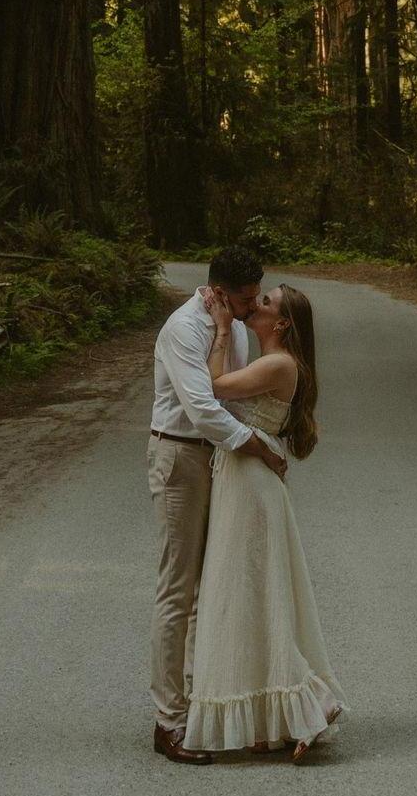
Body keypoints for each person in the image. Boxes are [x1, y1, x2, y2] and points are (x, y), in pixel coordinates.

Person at [183, 282, 345, 761]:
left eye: (267, 302)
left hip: (251, 485)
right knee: (249, 593)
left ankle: (314, 699)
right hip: (244, 477)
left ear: (283, 323)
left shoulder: (279, 364)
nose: (257, 304)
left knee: (253, 591)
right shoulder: (271, 361)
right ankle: (270, 717)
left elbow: (213, 386)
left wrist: (220, 328)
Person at [149, 246, 287, 766]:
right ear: (220, 291)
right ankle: (168, 721)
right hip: (181, 456)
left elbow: (235, 394)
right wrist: (259, 448)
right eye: (247, 299)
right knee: (177, 590)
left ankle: (199, 708)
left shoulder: (238, 328)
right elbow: (204, 408)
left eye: (257, 297)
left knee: (211, 590)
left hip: (220, 461)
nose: (254, 307)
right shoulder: (184, 329)